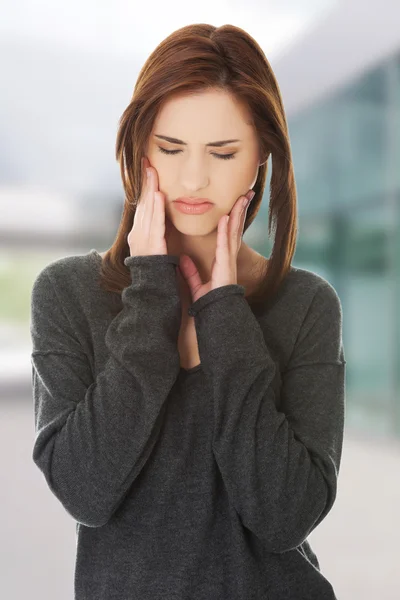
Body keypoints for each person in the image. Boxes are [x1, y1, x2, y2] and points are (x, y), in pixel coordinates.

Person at [30, 23, 346, 600]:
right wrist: (151, 293)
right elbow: (86, 492)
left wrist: (224, 315)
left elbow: (284, 515)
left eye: (223, 152)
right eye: (170, 149)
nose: (193, 178)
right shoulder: (67, 293)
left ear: (262, 156)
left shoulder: (307, 306)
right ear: (138, 148)